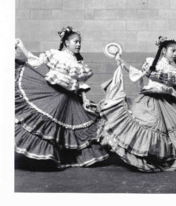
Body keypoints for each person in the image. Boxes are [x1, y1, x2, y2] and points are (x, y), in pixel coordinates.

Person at [97, 36, 176, 172]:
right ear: (164, 50)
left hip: (167, 104)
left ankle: (162, 158)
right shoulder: (151, 63)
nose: (175, 54)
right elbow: (137, 74)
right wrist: (122, 62)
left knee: (169, 132)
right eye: (173, 50)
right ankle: (146, 157)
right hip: (150, 101)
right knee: (148, 125)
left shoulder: (175, 71)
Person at [15, 26, 109, 169]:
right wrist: (21, 46)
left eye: (79, 42)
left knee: (72, 129)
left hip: (69, 100)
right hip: (53, 97)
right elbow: (36, 62)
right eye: (75, 42)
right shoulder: (55, 55)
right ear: (66, 43)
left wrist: (85, 100)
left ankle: (63, 159)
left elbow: (80, 84)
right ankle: (45, 157)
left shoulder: (79, 64)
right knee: (47, 127)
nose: (78, 45)